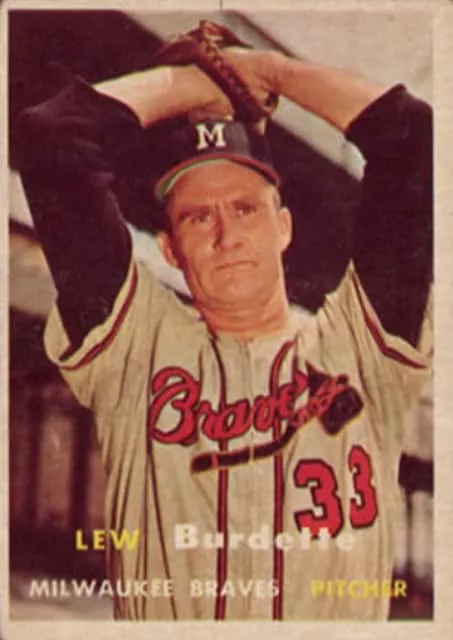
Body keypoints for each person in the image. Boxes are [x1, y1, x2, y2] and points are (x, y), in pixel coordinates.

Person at [16, 34, 432, 621]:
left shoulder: (363, 346)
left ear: (283, 226)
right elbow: (52, 137)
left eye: (244, 208)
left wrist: (264, 70)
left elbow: (411, 134)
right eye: (197, 217)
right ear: (170, 249)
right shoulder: (136, 348)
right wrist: (204, 84)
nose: (226, 234)